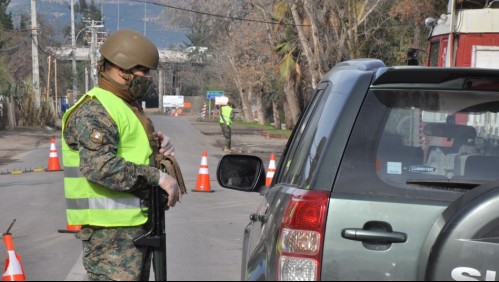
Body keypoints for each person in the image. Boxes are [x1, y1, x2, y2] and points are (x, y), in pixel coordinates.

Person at [61, 29, 182, 281]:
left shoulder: (124, 105)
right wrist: (158, 177)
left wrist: (157, 146)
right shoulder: (95, 109)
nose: (148, 78)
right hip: (111, 240)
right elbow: (99, 166)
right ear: (121, 69)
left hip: (134, 231)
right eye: (144, 71)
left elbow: (129, 149)